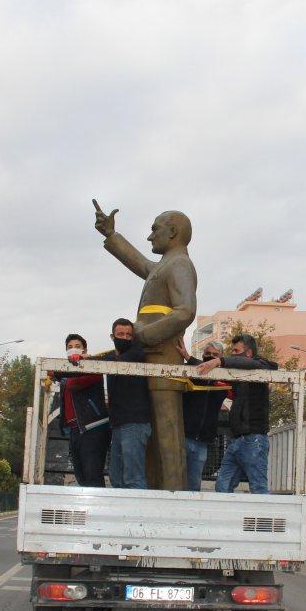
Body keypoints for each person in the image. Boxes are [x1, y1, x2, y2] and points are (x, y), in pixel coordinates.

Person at [94, 199, 196, 490]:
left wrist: (144, 335)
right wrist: (111, 236)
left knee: (167, 434)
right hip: (151, 360)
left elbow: (185, 311)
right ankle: (157, 492)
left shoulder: (180, 265)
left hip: (163, 359)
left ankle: (174, 497)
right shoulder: (166, 265)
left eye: (155, 230)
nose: (150, 236)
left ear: (173, 232)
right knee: (155, 435)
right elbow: (142, 264)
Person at [197, 334, 277, 494]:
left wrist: (219, 361)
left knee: (258, 488)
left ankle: (263, 518)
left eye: (236, 350)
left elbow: (263, 365)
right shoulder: (238, 374)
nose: (232, 354)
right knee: (222, 486)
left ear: (248, 353)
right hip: (236, 439)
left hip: (254, 439)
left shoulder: (260, 366)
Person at [99, 318, 152, 489]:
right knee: (116, 476)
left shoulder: (137, 353)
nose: (125, 338)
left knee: (133, 478)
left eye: (129, 335)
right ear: (112, 336)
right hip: (118, 424)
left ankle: (139, 514)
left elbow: (113, 362)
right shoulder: (110, 357)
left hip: (135, 423)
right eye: (120, 334)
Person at [176, 338, 229, 492]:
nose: (210, 357)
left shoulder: (224, 378)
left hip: (202, 442)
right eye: (208, 353)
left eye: (215, 355)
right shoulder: (193, 372)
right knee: (175, 480)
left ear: (220, 357)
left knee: (193, 485)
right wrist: (187, 356)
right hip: (183, 436)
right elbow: (198, 366)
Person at [58, 333, 109, 488]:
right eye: (70, 347)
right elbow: (54, 374)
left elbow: (73, 384)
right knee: (81, 475)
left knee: (92, 474)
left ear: (85, 350)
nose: (73, 349)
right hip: (75, 429)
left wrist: (83, 363)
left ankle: (97, 510)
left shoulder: (93, 367)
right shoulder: (66, 370)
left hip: (93, 427)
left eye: (78, 346)